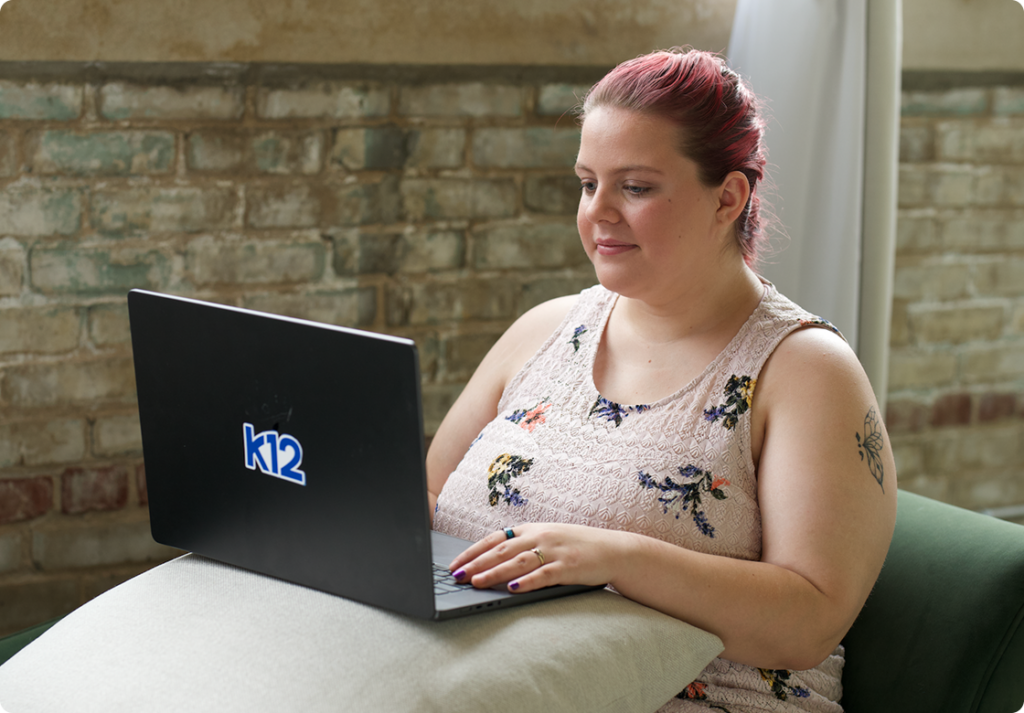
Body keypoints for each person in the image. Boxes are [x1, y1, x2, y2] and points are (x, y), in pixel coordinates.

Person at [426, 48, 896, 712]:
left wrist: (617, 558)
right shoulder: (545, 330)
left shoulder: (805, 371)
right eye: (589, 183)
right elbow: (430, 493)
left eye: (636, 187)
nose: (599, 213)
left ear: (728, 197)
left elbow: (809, 620)